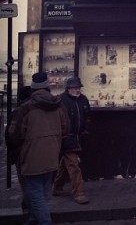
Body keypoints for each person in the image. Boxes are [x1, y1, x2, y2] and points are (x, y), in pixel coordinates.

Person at [8, 72, 69, 225]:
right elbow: (66, 128)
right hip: (52, 154)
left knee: (35, 194)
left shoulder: (26, 108)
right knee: (42, 192)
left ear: (33, 88)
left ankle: (44, 222)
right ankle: (34, 220)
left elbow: (14, 135)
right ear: (47, 86)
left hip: (32, 156)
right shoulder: (58, 104)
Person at [52, 77, 91, 204]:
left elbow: (87, 116)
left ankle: (57, 187)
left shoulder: (83, 99)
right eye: (75, 87)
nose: (77, 90)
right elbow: (56, 120)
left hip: (79, 137)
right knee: (74, 165)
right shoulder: (61, 101)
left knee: (65, 163)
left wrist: (85, 130)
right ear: (68, 88)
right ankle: (79, 192)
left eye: (78, 87)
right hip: (66, 138)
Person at [4, 85, 32, 212]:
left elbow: (11, 135)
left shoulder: (18, 111)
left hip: (21, 151)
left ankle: (27, 207)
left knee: (24, 182)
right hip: (34, 151)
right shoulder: (35, 110)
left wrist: (13, 151)